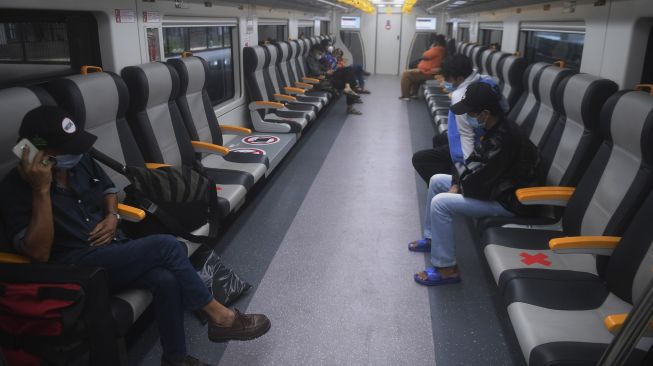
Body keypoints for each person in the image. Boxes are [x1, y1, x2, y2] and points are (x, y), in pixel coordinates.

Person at [0, 106, 271, 366]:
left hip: (111, 251)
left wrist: (111, 216)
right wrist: (41, 190)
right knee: (167, 246)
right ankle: (219, 316)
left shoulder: (79, 163)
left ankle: (174, 359)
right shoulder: (16, 189)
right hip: (75, 269)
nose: (76, 154)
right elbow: (38, 253)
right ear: (35, 151)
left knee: (165, 280)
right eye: (67, 150)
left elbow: (107, 189)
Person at [407, 82, 540, 286]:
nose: (469, 117)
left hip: (509, 202)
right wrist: (456, 181)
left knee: (441, 203)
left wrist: (458, 185)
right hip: (496, 189)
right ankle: (432, 238)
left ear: (485, 113)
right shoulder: (495, 129)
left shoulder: (505, 139)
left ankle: (447, 269)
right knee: (436, 181)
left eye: (471, 112)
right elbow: (471, 163)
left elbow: (480, 180)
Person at [412, 55, 508, 184]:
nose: (446, 81)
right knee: (439, 138)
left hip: (476, 145)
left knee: (420, 159)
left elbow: (466, 135)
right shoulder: (488, 81)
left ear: (460, 78)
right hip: (487, 134)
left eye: (449, 79)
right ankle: (448, 172)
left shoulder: (460, 96)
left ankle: (446, 185)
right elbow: (505, 107)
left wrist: (467, 173)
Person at [307, 45, 363, 115]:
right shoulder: (310, 59)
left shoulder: (315, 59)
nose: (320, 55)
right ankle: (349, 101)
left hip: (327, 76)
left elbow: (322, 67)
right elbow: (315, 72)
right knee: (349, 78)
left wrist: (328, 70)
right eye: (319, 53)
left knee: (348, 70)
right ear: (314, 51)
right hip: (321, 80)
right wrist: (326, 72)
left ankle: (348, 88)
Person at [399, 34, 446, 100]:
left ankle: (405, 96)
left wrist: (432, 47)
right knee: (414, 74)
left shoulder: (438, 49)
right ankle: (413, 94)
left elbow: (425, 55)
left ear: (436, 42)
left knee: (406, 74)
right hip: (427, 71)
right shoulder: (442, 49)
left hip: (428, 72)